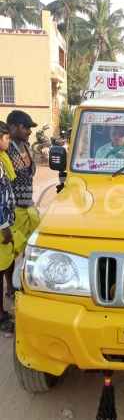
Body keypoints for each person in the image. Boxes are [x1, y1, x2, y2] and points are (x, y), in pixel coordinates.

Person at [6, 111, 40, 290]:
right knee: (10, 251)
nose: (29, 131)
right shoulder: (6, 150)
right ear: (12, 127)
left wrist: (32, 203)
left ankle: (25, 282)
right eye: (25, 127)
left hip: (28, 205)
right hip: (13, 209)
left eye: (30, 128)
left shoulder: (26, 146)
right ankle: (10, 288)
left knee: (33, 245)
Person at [0, 121, 27, 333]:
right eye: (6, 138)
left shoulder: (2, 160)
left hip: (6, 221)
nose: (9, 142)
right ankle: (1, 318)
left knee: (10, 257)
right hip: (1, 226)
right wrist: (3, 226)